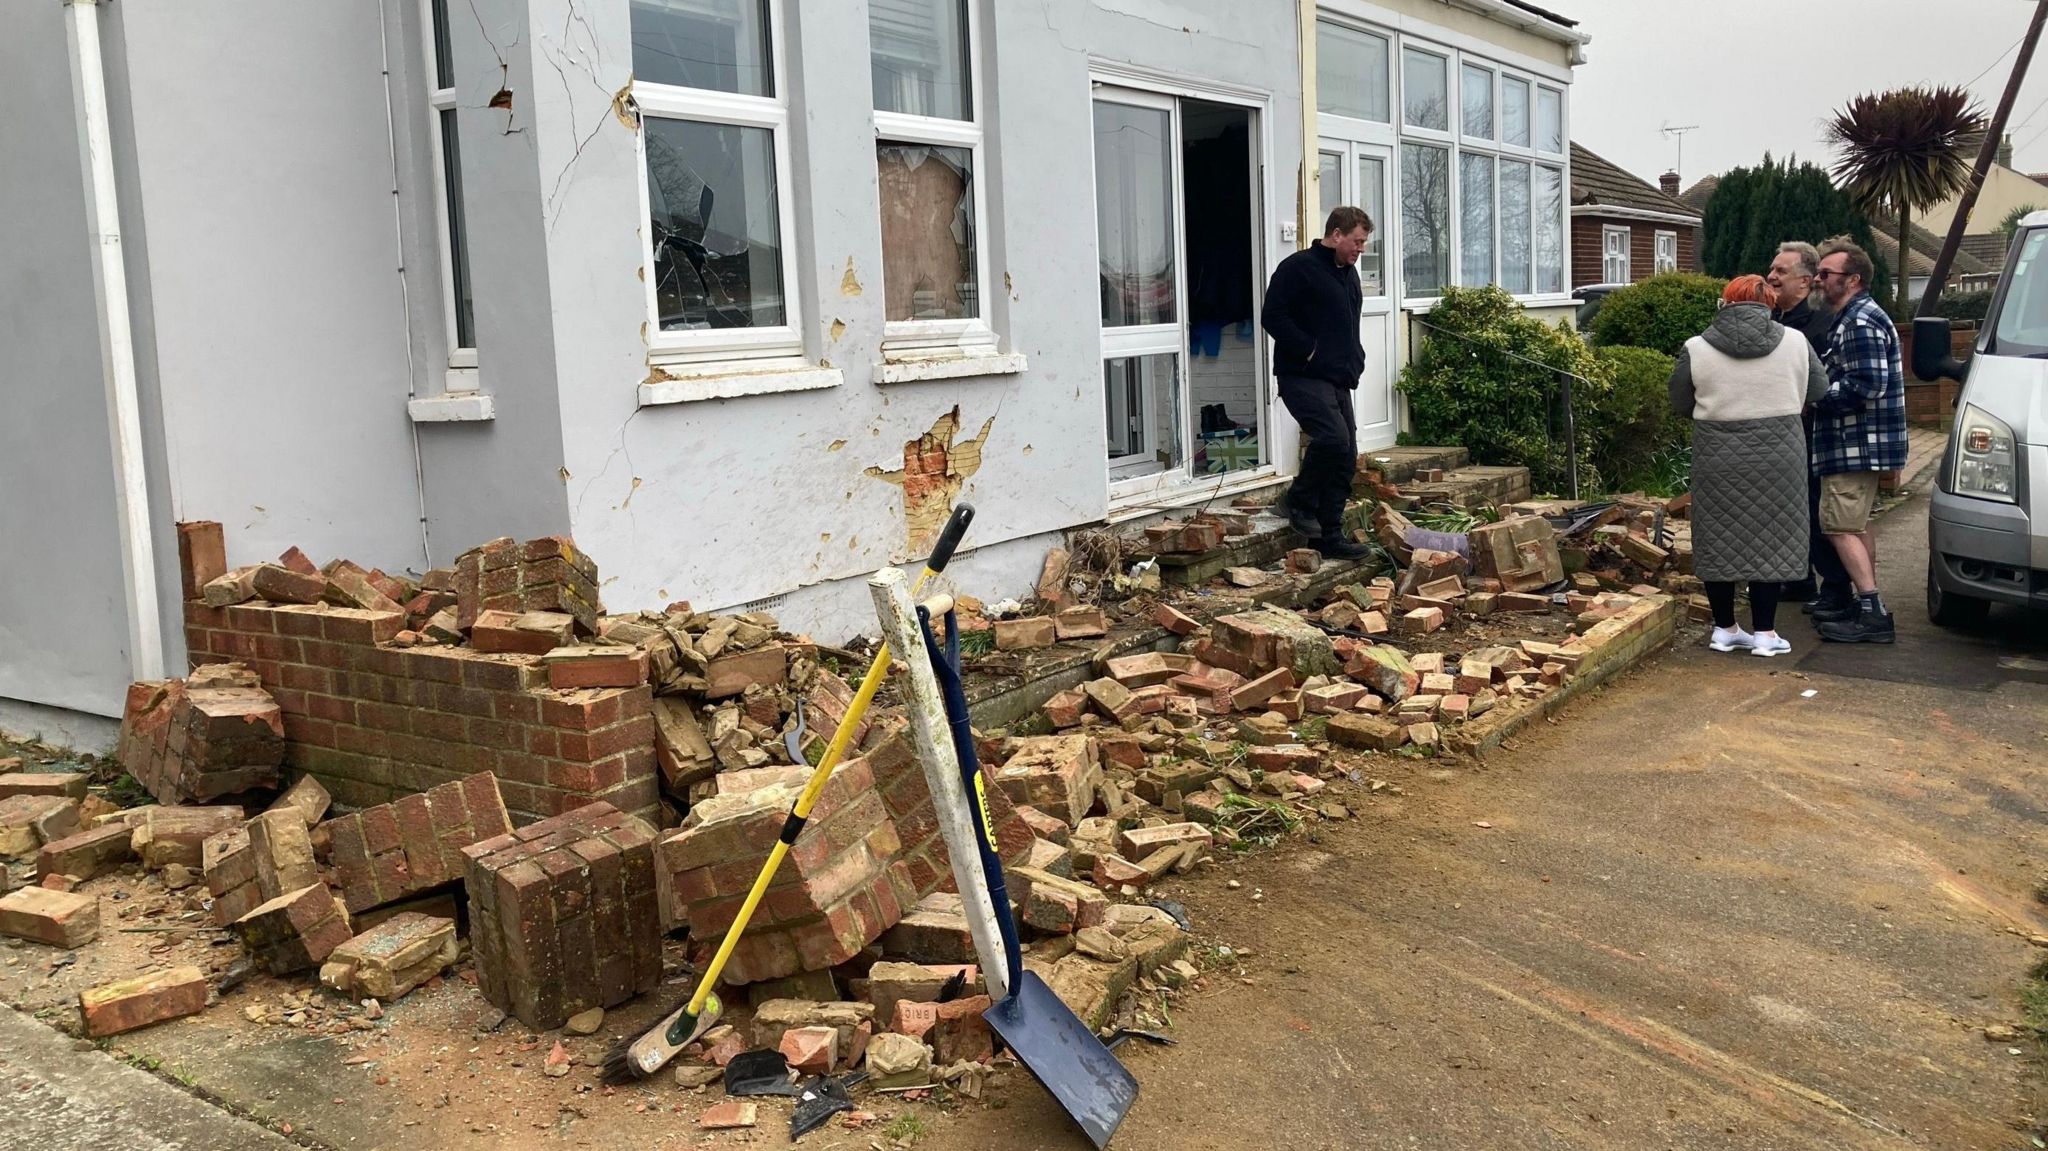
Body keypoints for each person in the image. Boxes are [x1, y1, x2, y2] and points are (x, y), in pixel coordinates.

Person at [1668, 275, 1827, 656]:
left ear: (1726, 303)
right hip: (1779, 456)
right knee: (1770, 537)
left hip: (1717, 455)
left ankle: (1725, 629)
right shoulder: (1795, 342)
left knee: (1719, 537)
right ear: (1770, 303)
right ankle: (1765, 634)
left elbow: (1679, 401)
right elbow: (1819, 390)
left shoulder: (1696, 347)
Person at [1809, 238, 1907, 644]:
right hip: (1860, 443)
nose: (1818, 279)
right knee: (1856, 523)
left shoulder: (1859, 322)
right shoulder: (1857, 316)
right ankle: (1866, 606)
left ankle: (1872, 612)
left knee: (1839, 526)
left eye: (1826, 274)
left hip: (1854, 444)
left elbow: (1866, 385)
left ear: (1851, 280)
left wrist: (1814, 398)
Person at [1264, 206, 1372, 560]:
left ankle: (1328, 535)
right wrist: (1308, 350)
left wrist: (1355, 357)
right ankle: (1296, 502)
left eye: (1364, 243)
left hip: (1338, 378)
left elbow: (1348, 323)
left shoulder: (1349, 275)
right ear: (1336, 234)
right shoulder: (1299, 268)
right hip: (1301, 376)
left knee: (1346, 456)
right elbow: (1272, 315)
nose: (1360, 249)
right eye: (1357, 241)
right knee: (1332, 438)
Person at [1765, 241, 1852, 613]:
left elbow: (1824, 382)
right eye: (1771, 269)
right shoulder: (1772, 321)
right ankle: (1799, 579)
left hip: (1812, 433)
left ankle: (1835, 589)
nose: (1771, 276)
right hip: (1778, 434)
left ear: (1804, 282)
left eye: (1780, 272)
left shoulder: (1820, 325)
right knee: (1786, 509)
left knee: (1817, 511)